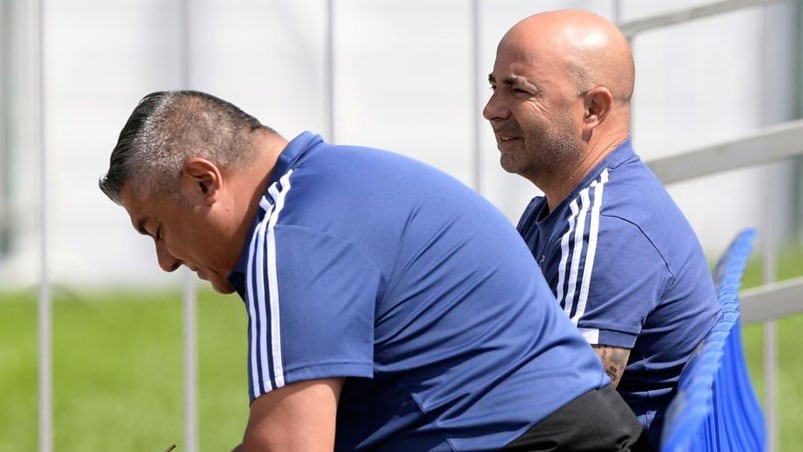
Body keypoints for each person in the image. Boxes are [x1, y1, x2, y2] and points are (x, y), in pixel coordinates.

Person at [99, 90, 651, 451]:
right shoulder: (339, 181)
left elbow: (290, 447)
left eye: (155, 229)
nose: (166, 260)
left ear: (204, 181)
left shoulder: (290, 232)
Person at [483, 9, 721, 448]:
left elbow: (564, 412)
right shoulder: (561, 210)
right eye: (495, 86)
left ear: (593, 108)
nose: (492, 110)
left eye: (518, 90)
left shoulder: (605, 227)